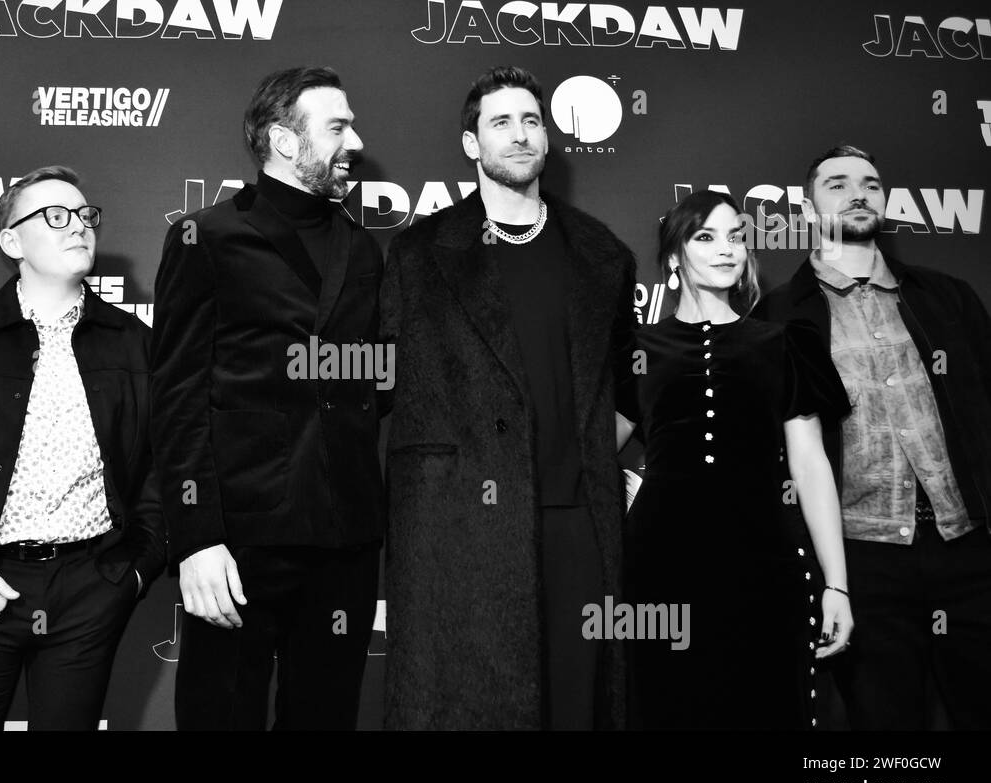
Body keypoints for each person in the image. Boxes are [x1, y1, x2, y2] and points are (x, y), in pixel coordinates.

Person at [380, 66, 636, 730]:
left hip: (577, 525)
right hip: (463, 531)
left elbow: (629, 389)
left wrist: (588, 467)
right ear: (471, 144)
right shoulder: (417, 254)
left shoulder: (601, 253)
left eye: (531, 121)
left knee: (578, 704)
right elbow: (384, 391)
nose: (520, 135)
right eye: (501, 122)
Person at [150, 67, 384, 730]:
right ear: (284, 140)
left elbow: (375, 381)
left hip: (344, 541)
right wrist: (197, 540)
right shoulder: (208, 237)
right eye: (338, 126)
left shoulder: (364, 249)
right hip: (241, 544)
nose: (355, 141)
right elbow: (177, 395)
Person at [0, 165, 166, 730]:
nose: (79, 227)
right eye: (56, 216)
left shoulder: (135, 343)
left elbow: (164, 468)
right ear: (11, 241)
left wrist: (133, 572)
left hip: (90, 587)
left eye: (86, 216)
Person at [755, 145, 991, 730]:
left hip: (970, 552)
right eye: (837, 184)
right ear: (808, 209)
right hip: (861, 561)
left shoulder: (948, 297)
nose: (858, 193)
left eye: (870, 184)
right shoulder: (779, 317)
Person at [616, 190, 854, 729]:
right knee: (666, 706)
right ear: (674, 256)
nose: (726, 250)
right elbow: (585, 449)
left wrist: (836, 584)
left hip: (762, 559)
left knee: (765, 705)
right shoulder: (637, 348)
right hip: (659, 566)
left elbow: (810, 465)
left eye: (736, 238)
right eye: (705, 237)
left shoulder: (782, 342)